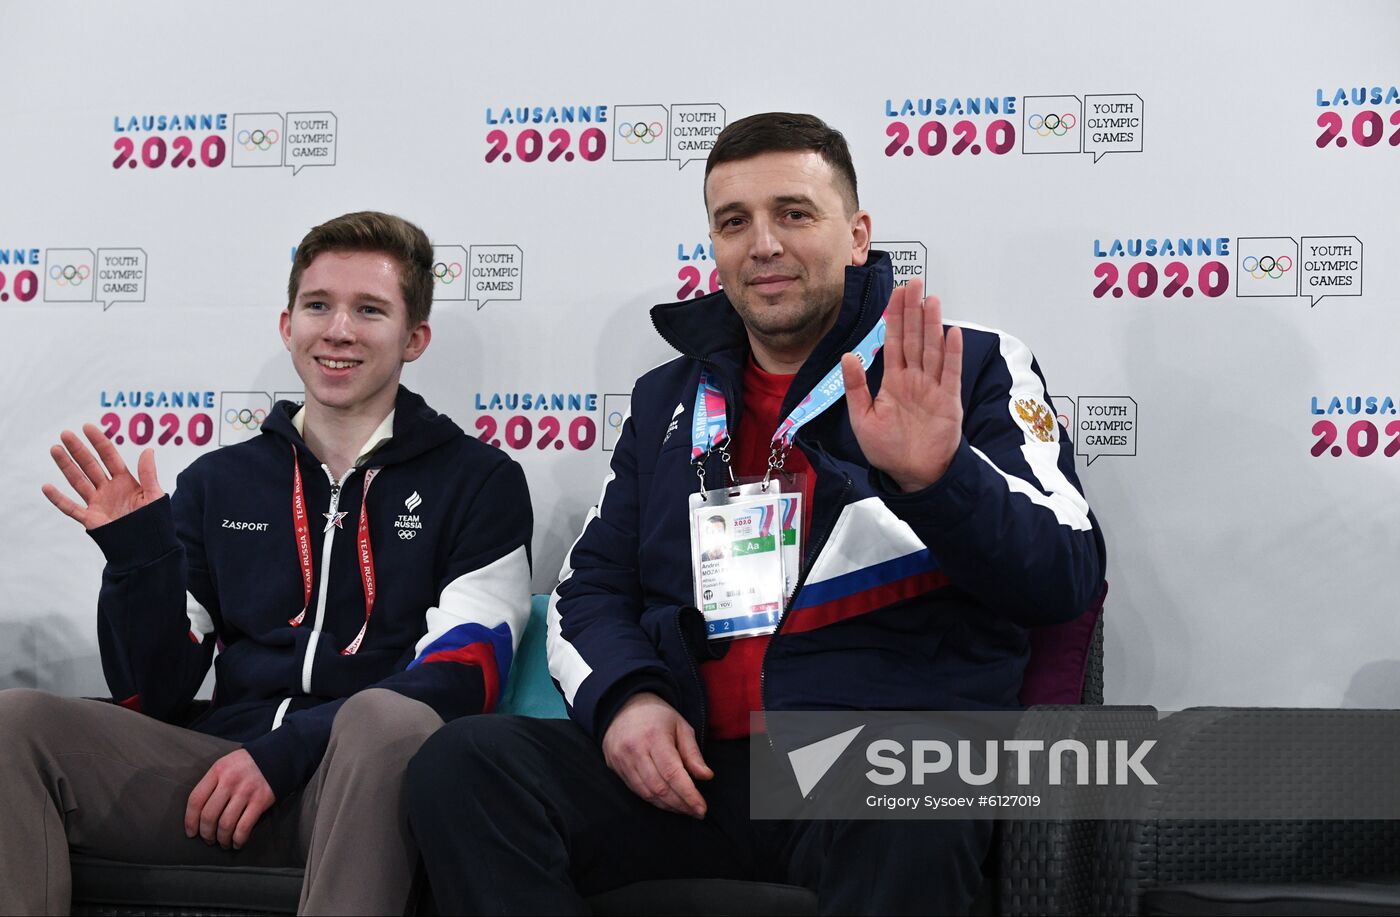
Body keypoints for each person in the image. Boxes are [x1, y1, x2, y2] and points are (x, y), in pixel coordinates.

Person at [407, 113, 1106, 914]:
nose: (762, 243)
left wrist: (941, 478)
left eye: (794, 213)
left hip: (869, 762)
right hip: (696, 764)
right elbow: (588, 586)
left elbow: (1067, 573)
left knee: (917, 790)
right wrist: (628, 699)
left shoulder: (965, 362)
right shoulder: (669, 396)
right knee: (463, 766)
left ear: (856, 234)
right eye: (734, 222)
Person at [1, 211, 532, 915]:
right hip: (217, 774)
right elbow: (150, 693)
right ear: (288, 326)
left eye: (368, 309)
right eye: (318, 306)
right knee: (17, 722)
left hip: (359, 781)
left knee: (389, 719)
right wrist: (137, 559)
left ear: (414, 338)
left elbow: (467, 670)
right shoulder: (220, 481)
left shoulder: (479, 480)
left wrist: (285, 754)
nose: (338, 330)